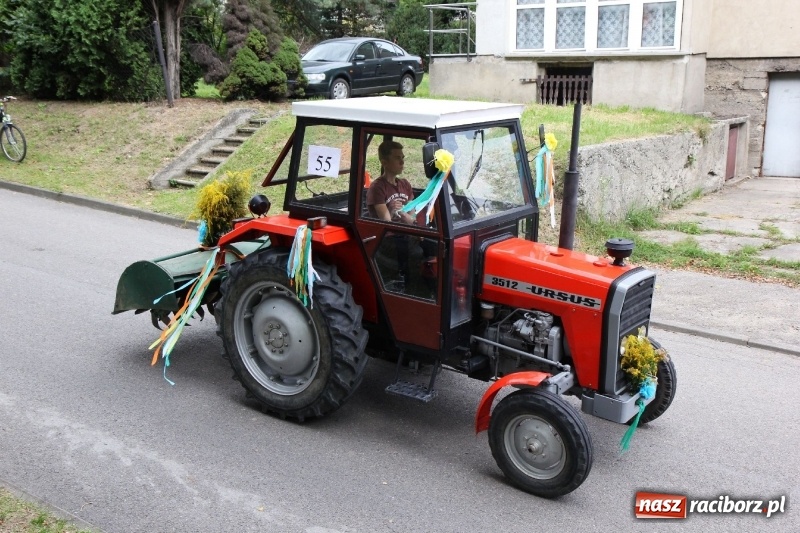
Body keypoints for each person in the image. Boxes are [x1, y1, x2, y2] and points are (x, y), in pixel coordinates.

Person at [366, 141, 417, 224]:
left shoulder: (405, 184)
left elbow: (413, 218)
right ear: (384, 163)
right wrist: (391, 211)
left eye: (402, 157)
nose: (402, 162)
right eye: (397, 158)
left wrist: (402, 212)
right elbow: (386, 223)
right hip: (388, 236)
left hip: (407, 233)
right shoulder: (377, 188)